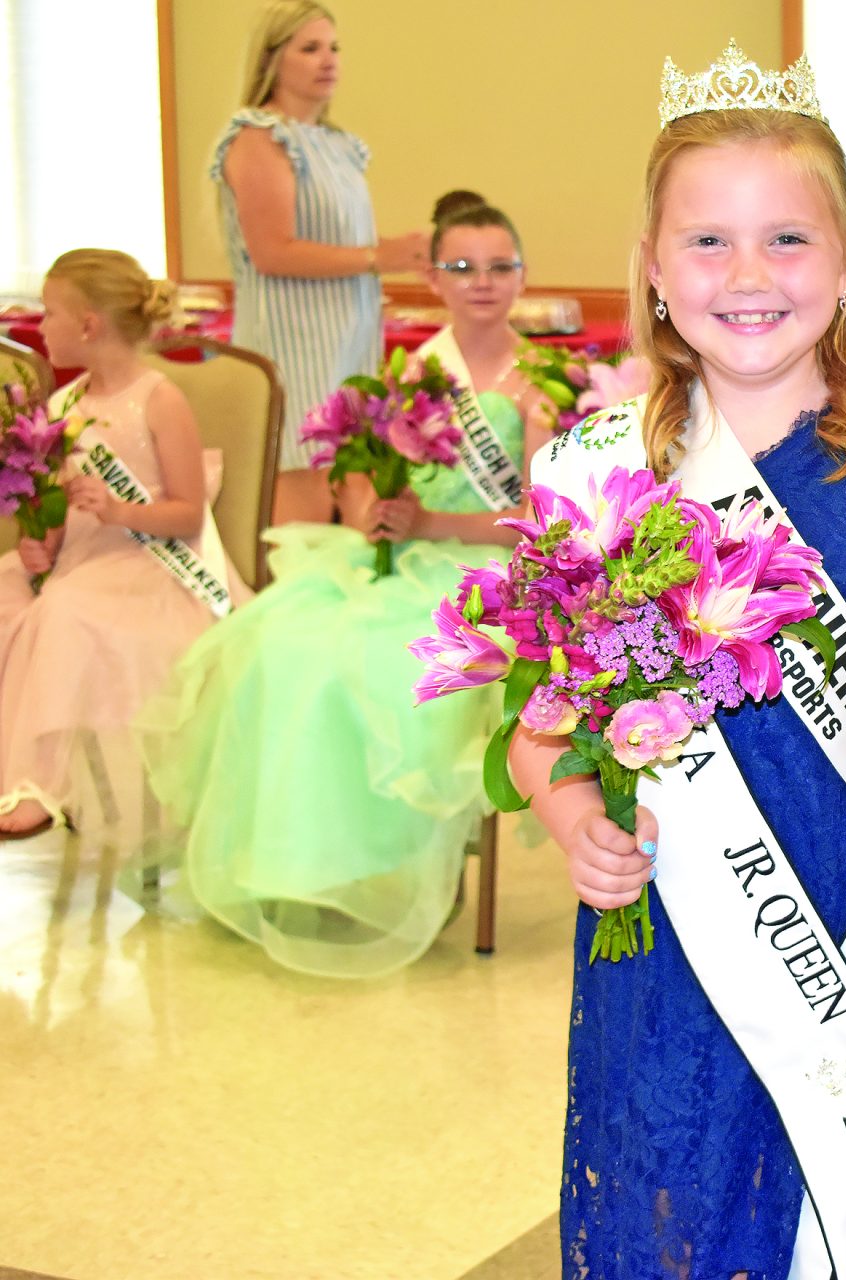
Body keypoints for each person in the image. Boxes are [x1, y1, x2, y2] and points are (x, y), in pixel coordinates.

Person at [514, 41, 846, 1280]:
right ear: (654, 273)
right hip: (675, 957)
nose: (748, 276)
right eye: (707, 242)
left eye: (788, 239)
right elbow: (541, 723)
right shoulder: (591, 472)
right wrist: (569, 808)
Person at [135, 194, 552, 978]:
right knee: (283, 648)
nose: (483, 282)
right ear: (432, 276)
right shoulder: (412, 372)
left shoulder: (544, 382)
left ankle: (391, 862)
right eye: (462, 267)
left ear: (523, 275)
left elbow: (540, 519)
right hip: (400, 559)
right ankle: (300, 866)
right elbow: (361, 489)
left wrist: (428, 523)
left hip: (492, 574)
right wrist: (374, 510)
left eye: (500, 266)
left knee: (394, 664)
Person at [1, 250, 234, 841]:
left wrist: (118, 510)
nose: (41, 324)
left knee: (63, 612)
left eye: (49, 313)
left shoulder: (159, 399)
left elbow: (186, 513)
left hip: (152, 566)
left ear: (88, 325)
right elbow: (52, 507)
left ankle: (39, 784)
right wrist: (38, 543)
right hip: (82, 560)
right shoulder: (63, 406)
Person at [214, 0, 429, 526]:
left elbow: (340, 241)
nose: (328, 59)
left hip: (347, 342)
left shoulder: (336, 144)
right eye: (309, 48)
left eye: (333, 48)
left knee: (357, 496)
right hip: (294, 344)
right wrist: (382, 256)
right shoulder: (259, 137)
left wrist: (408, 252)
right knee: (303, 504)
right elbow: (274, 250)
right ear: (272, 59)